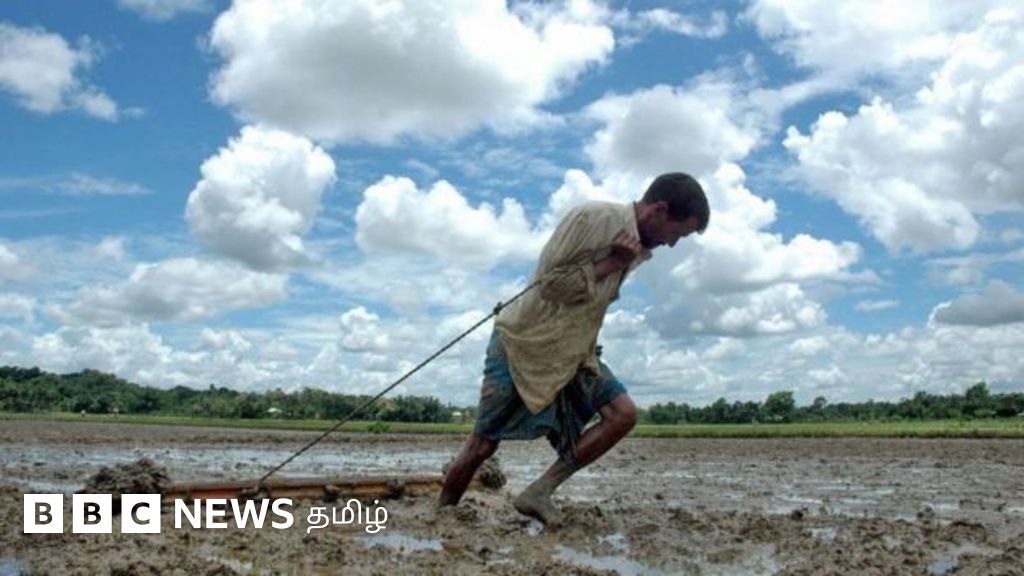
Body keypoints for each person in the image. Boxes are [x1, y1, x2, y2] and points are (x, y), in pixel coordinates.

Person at [438, 172, 710, 526]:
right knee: (483, 445)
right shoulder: (593, 218)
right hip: (525, 342)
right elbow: (551, 284)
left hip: (574, 351)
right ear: (659, 210)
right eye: (678, 233)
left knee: (622, 414)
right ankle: (441, 515)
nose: (672, 244)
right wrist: (614, 262)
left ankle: (538, 492)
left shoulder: (637, 247)